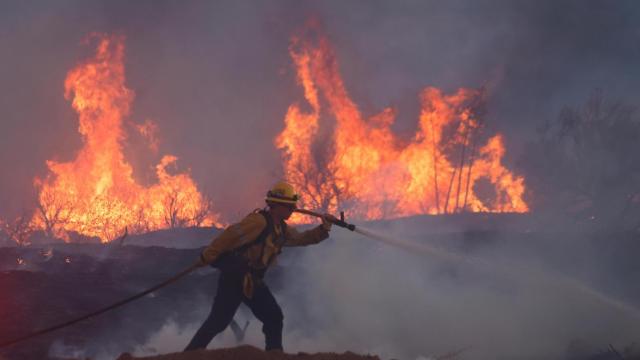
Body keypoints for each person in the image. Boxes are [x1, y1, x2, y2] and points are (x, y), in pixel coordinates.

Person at [184, 181, 336, 352]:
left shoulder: (281, 229)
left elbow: (301, 239)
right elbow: (228, 236)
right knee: (218, 321)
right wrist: (207, 256)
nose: (292, 209)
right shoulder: (258, 222)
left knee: (273, 316)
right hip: (234, 279)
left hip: (253, 281)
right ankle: (188, 354)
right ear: (276, 206)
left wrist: (324, 228)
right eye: (288, 206)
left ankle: (274, 354)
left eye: (292, 206)